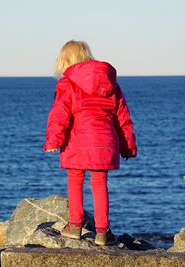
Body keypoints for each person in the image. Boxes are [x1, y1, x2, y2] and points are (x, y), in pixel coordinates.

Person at [43, 40, 137, 246]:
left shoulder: (67, 84)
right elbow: (123, 118)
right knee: (100, 184)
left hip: (78, 142)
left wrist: (53, 140)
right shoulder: (111, 84)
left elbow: (59, 115)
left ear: (65, 61)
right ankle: (102, 232)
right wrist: (128, 147)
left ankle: (75, 226)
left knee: (75, 181)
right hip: (105, 143)